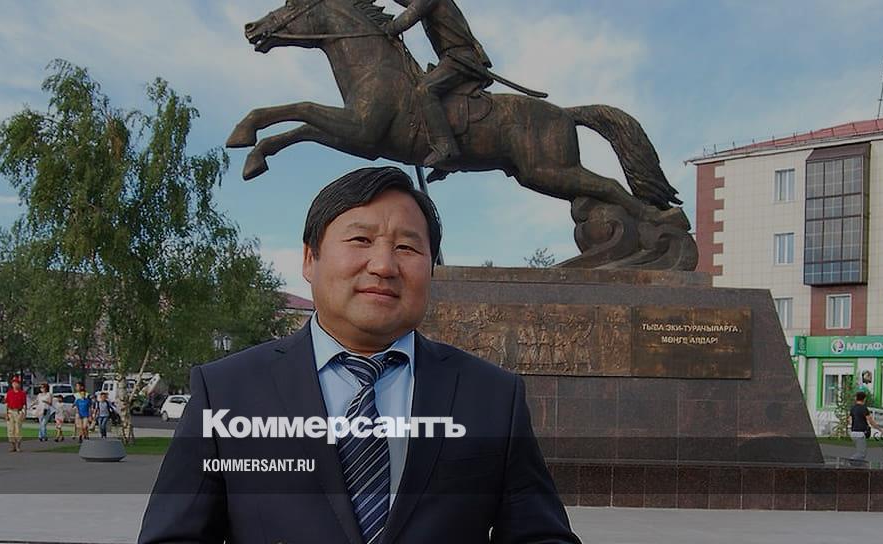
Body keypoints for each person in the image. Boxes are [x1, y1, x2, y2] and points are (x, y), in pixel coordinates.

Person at [140, 167, 579, 543]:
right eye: (360, 239)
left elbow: (540, 534)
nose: (384, 265)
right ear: (310, 259)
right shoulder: (227, 391)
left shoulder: (491, 396)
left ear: (430, 269)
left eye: (407, 247)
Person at [384, 0, 492, 168]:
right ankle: (448, 159)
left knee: (425, 90)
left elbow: (408, 17)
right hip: (452, 59)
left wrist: (387, 28)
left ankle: (445, 146)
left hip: (461, 59)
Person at [850, 391, 883, 461]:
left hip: (853, 433)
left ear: (856, 398)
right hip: (860, 433)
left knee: (860, 452)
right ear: (864, 399)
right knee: (861, 454)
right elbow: (871, 421)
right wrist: (880, 430)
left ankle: (858, 466)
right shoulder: (864, 408)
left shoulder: (853, 408)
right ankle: (850, 461)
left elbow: (850, 420)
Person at [4, 376, 27, 453]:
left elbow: (24, 404)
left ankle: (18, 446)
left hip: (18, 412)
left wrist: (24, 413)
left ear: (19, 384)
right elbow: (6, 404)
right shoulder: (9, 393)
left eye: (16, 383)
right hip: (10, 412)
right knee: (10, 430)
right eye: (13, 383)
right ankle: (13, 446)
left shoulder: (22, 393)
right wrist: (6, 414)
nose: (15, 384)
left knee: (18, 430)